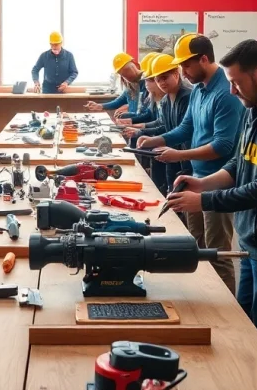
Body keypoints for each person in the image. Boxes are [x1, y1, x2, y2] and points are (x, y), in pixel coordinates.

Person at [165, 39, 257, 374]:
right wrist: (203, 182)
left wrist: (203, 200)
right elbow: (239, 161)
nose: (232, 90)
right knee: (248, 323)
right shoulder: (255, 110)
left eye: (236, 82)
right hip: (251, 240)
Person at [137, 34, 244, 294]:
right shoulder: (198, 90)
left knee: (217, 252)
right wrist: (155, 139)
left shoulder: (224, 94)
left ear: (204, 59)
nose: (183, 71)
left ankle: (228, 312)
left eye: (186, 65)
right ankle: (203, 297)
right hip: (195, 178)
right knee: (195, 245)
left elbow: (223, 146)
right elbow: (187, 128)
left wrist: (180, 156)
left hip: (217, 183)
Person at [127, 54, 193, 195]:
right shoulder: (165, 101)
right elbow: (165, 126)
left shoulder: (188, 97)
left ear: (176, 74)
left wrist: (151, 137)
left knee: (184, 197)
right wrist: (145, 135)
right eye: (157, 79)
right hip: (171, 155)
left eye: (165, 77)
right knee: (171, 192)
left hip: (188, 157)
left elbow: (184, 131)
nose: (161, 83)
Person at [86, 52, 146, 120]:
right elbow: (118, 101)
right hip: (132, 125)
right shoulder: (131, 87)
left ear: (135, 64)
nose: (127, 76)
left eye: (127, 70)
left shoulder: (148, 84)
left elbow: (148, 115)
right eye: (122, 74)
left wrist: (131, 116)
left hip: (142, 126)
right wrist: (99, 106)